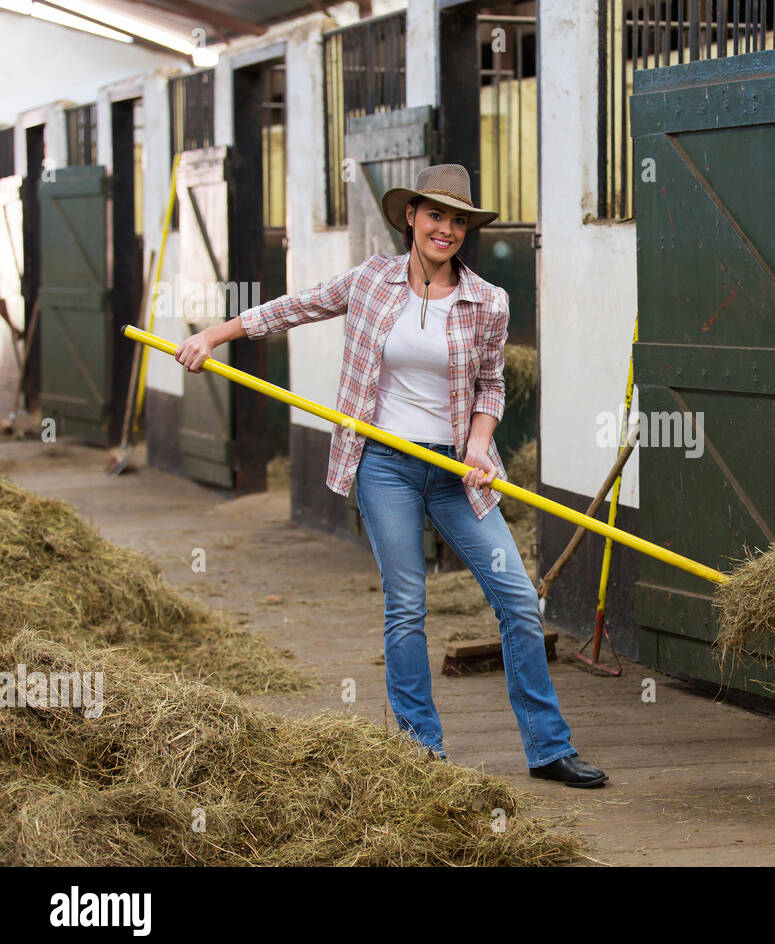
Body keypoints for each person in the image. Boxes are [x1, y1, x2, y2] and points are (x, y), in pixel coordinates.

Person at [174, 164, 607, 788]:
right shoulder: (372, 281)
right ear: (411, 217)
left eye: (459, 221)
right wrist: (215, 334)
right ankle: (419, 752)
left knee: (516, 597)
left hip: (457, 470)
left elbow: (491, 384)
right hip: (385, 463)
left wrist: (481, 445)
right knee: (407, 604)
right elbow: (295, 308)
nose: (447, 230)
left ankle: (548, 748)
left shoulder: (487, 301)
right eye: (436, 216)